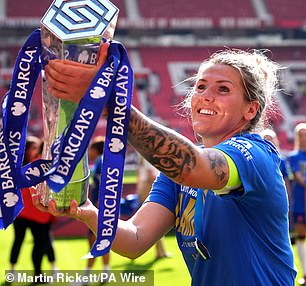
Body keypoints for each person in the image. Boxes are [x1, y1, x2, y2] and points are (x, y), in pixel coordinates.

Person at [31, 44, 297, 285]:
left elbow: (197, 168)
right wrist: (87, 211)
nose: (205, 96)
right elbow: (135, 239)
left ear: (250, 110)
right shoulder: (178, 176)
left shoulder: (256, 153)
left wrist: (113, 106)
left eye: (223, 89)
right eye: (200, 86)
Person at [9, 136, 58, 278]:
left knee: (34, 242)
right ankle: (39, 273)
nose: (34, 151)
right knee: (40, 244)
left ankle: (20, 271)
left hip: (25, 212)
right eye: (33, 148)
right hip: (36, 213)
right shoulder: (38, 165)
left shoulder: (28, 165)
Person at [84, 136, 111, 275]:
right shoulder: (104, 161)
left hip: (100, 209)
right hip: (104, 209)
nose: (89, 152)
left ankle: (86, 276)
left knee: (94, 241)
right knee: (103, 241)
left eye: (91, 149)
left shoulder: (101, 161)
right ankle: (106, 272)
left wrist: (100, 207)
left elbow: (104, 185)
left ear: (96, 149)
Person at [137, 155, 171, 260]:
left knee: (155, 221)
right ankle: (160, 251)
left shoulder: (142, 155)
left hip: (144, 186)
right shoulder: (148, 156)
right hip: (149, 186)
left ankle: (160, 251)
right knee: (156, 221)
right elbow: (151, 175)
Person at [287, 123, 306, 285]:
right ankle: (305, 273)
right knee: (301, 237)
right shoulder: (294, 156)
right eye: (301, 135)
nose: (304, 137)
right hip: (300, 203)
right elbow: (299, 178)